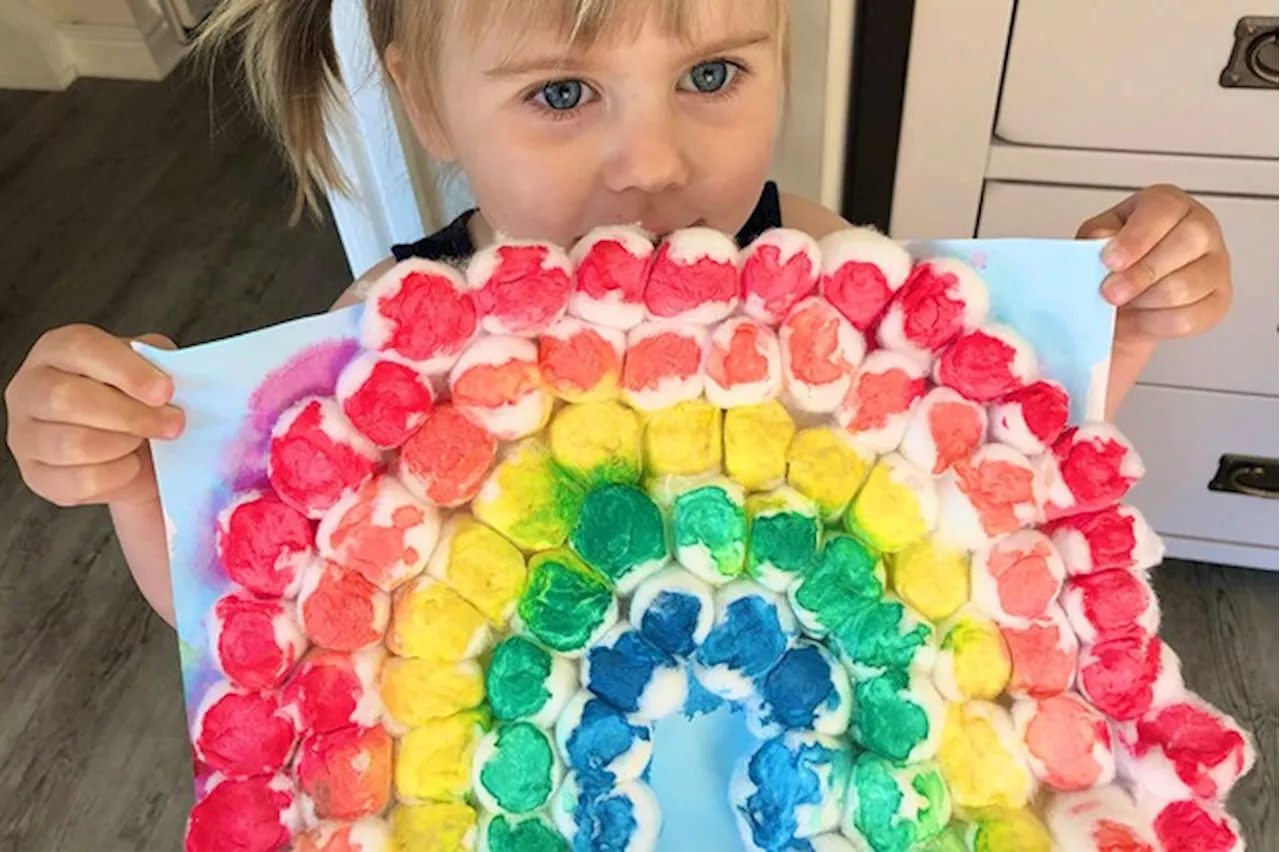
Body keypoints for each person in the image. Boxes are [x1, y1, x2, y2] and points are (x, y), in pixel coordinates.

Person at [2, 0, 1233, 627]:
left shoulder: (827, 270)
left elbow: (982, 480)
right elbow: (265, 605)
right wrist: (137, 476)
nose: (648, 162)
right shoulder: (393, 331)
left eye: (710, 74)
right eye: (560, 91)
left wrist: (1105, 333)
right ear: (430, 110)